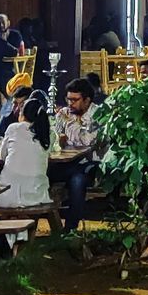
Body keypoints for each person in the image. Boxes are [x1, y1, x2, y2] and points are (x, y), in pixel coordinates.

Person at [56, 78, 102, 231]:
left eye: (75, 100)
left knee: (77, 180)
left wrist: (70, 123)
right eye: (68, 99)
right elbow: (54, 136)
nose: (70, 103)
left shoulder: (98, 114)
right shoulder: (64, 113)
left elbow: (88, 141)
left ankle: (70, 228)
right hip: (66, 163)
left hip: (91, 163)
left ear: (87, 100)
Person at [0, 96, 51, 209]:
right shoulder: (46, 134)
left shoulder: (14, 128)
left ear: (22, 115)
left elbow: (3, 156)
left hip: (8, 194)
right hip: (36, 194)